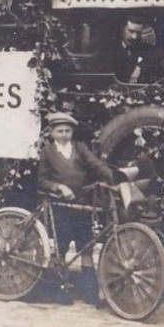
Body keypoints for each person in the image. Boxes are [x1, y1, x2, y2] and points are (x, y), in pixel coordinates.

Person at [36, 111, 119, 305]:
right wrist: (59, 187)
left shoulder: (80, 148)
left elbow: (95, 164)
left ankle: (90, 293)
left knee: (87, 249)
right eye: (60, 131)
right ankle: (59, 291)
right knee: (61, 247)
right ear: (52, 132)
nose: (64, 134)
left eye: (67, 131)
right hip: (60, 206)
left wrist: (111, 177)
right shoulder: (48, 152)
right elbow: (42, 181)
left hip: (82, 206)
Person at [112, 18, 163, 84]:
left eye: (138, 33)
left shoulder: (140, 46)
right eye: (131, 31)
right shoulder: (110, 49)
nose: (134, 37)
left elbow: (159, 52)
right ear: (122, 29)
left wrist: (139, 67)